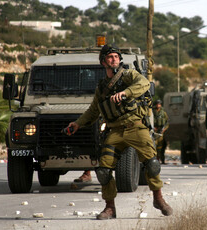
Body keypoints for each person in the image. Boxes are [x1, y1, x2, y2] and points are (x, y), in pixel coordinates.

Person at [64, 44, 172, 220]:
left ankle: (158, 199)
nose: (114, 59)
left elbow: (144, 83)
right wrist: (77, 124)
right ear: (103, 62)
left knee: (152, 164)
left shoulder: (128, 75)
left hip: (136, 127)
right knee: (103, 170)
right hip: (115, 130)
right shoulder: (101, 87)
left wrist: (125, 93)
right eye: (110, 57)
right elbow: (93, 111)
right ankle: (110, 208)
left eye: (116, 56)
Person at [153, 99, 169, 164]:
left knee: (161, 147)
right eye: (157, 104)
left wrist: (164, 129)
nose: (158, 105)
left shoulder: (163, 113)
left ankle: (161, 160)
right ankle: (154, 160)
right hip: (154, 131)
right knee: (154, 146)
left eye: (159, 104)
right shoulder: (152, 112)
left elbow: (167, 122)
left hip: (161, 131)